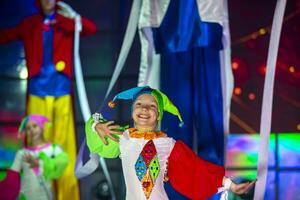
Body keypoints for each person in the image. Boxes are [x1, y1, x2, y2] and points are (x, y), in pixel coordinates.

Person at [85, 86, 255, 200]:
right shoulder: (123, 137)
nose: (144, 109)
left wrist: (231, 185)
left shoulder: (168, 144)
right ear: (132, 112)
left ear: (158, 115)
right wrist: (96, 125)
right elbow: (95, 126)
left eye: (151, 106)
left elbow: (196, 169)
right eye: (139, 104)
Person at [0, 0, 97, 199]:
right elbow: (6, 35)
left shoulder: (65, 22)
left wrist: (71, 15)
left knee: (63, 148)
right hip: (37, 92)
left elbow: (90, 29)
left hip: (60, 92)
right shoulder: (30, 23)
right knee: (36, 145)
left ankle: (65, 196)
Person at [0, 114, 68, 200]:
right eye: (28, 128)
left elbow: (61, 165)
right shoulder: (22, 153)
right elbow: (11, 181)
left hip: (45, 195)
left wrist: (40, 163)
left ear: (42, 127)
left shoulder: (53, 149)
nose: (31, 130)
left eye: (34, 126)